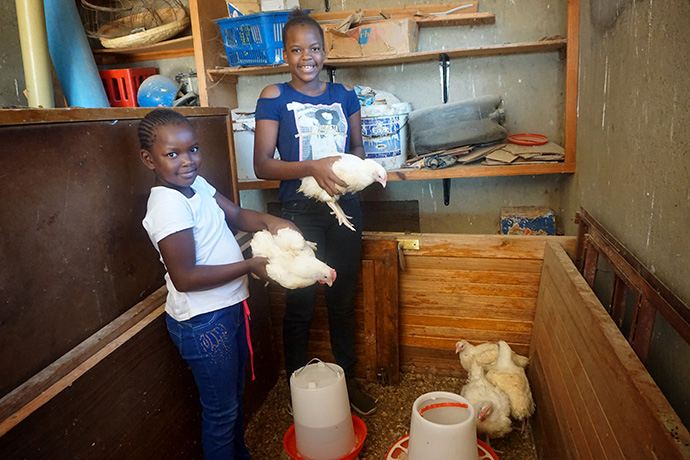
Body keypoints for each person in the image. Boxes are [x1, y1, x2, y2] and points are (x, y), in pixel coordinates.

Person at [138, 108, 297, 459]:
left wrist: (272, 221)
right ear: (149, 159)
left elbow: (238, 215)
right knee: (222, 413)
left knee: (233, 399)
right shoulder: (167, 205)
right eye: (172, 154)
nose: (187, 161)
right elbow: (186, 277)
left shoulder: (195, 185)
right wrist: (251, 265)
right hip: (203, 321)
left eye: (193, 149)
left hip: (227, 309)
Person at [253, 10, 377, 416]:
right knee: (301, 303)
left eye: (315, 48)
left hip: (344, 207)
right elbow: (262, 166)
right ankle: (297, 388)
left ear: (325, 51)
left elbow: (358, 149)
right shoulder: (274, 97)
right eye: (297, 49)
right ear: (285, 54)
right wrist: (313, 167)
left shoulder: (344, 96)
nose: (307, 56)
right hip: (298, 212)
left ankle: (349, 380)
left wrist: (345, 171)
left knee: (342, 299)